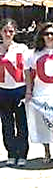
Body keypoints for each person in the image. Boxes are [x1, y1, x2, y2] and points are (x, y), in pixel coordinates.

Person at [25, 22, 53, 163]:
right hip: (41, 93)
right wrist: (29, 91)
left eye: (52, 33)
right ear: (41, 36)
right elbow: (29, 74)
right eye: (46, 34)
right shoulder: (33, 54)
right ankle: (47, 152)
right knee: (44, 125)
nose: (49, 36)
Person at [0, 19, 29, 167]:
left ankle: (22, 153)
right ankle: (11, 152)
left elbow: (27, 70)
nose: (8, 34)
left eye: (11, 31)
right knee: (7, 125)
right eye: (5, 30)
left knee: (22, 124)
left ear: (15, 32)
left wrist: (29, 90)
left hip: (19, 89)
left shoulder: (22, 48)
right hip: (2, 91)